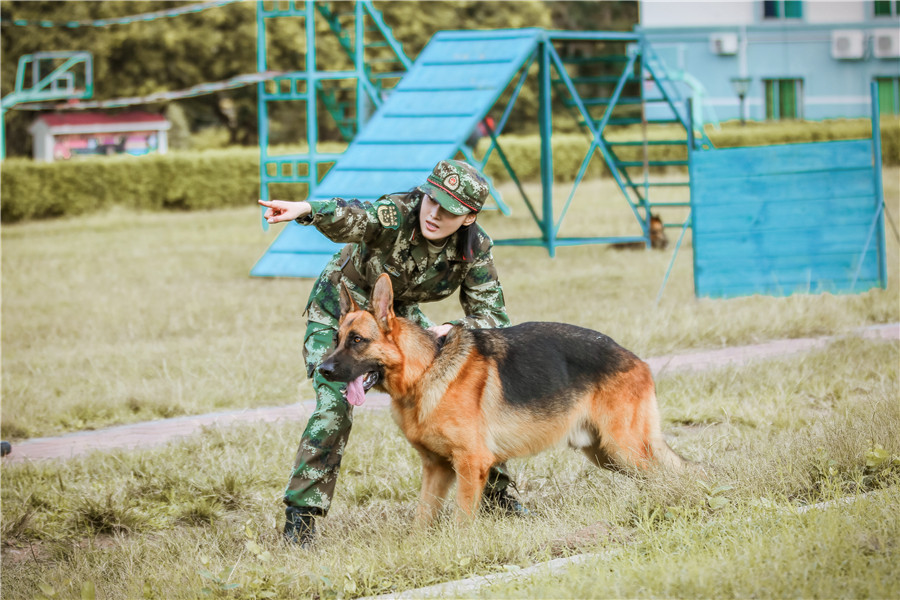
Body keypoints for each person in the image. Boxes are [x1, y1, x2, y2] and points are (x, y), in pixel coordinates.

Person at [259, 159, 528, 548]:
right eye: (431, 200)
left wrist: (453, 329)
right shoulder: (397, 212)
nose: (434, 213)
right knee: (334, 405)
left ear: (468, 217)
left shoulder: (476, 247)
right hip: (342, 317)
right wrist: (308, 211)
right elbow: (356, 216)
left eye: (449, 209)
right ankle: (301, 519)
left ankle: (497, 497)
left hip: (396, 318)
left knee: (461, 395)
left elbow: (492, 316)